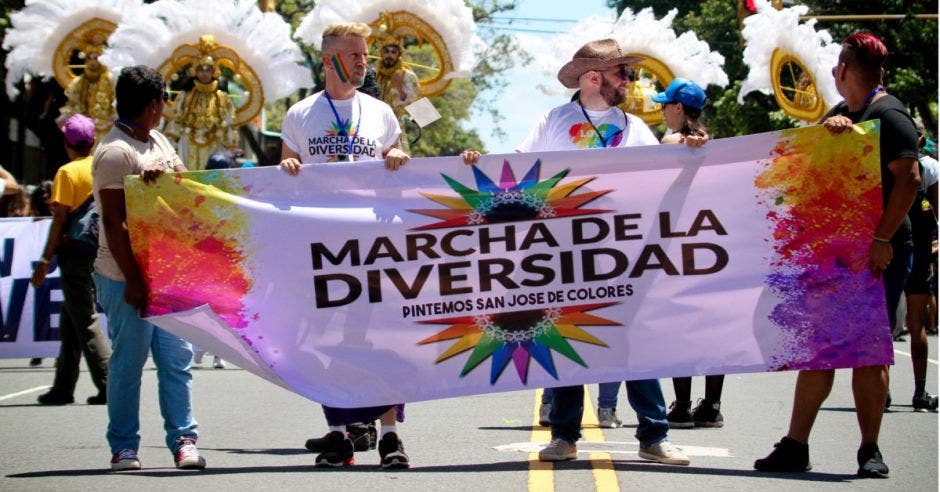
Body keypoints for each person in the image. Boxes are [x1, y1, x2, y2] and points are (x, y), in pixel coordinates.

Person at [512, 39, 690, 465]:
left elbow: (658, 171)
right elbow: (518, 168)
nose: (629, 82)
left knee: (632, 339)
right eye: (622, 74)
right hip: (564, 251)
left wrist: (685, 150)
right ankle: (565, 434)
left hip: (619, 252)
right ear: (595, 77)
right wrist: (474, 163)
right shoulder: (555, 121)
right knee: (569, 338)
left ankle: (653, 434)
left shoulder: (633, 127)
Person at [754, 32, 921, 478]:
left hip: (878, 254)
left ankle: (870, 450)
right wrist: (827, 136)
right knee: (819, 352)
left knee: (869, 354)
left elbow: (910, 180)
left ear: (843, 71)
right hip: (839, 256)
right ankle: (795, 445)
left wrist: (882, 240)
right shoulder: (844, 114)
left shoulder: (891, 115)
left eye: (836, 67)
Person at [279, 22, 410, 469]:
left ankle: (391, 437)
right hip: (322, 251)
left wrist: (396, 158)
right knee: (327, 343)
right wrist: (290, 165)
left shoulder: (380, 112)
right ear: (329, 59)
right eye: (355, 55)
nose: (363, 62)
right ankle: (338, 437)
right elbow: (282, 174)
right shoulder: (299, 115)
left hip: (372, 248)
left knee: (381, 340)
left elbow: (400, 170)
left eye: (365, 55)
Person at [93, 65, 205, 471]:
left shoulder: (156, 139)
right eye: (162, 102)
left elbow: (183, 185)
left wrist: (160, 180)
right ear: (155, 104)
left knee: (176, 360)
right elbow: (113, 221)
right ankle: (123, 445)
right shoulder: (114, 152)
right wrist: (136, 281)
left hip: (168, 274)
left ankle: (184, 440)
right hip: (127, 277)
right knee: (129, 363)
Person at [647, 77, 725, 429]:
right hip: (710, 243)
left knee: (680, 324)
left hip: (679, 243)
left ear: (678, 108)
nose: (662, 111)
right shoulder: (714, 145)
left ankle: (680, 404)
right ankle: (711, 405)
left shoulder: (672, 140)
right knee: (712, 327)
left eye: (665, 105)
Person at [31, 114, 110, 406]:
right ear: (92, 142)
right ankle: (62, 387)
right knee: (72, 320)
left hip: (75, 252)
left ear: (67, 143)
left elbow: (60, 219)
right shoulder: (101, 165)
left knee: (86, 320)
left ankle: (109, 382)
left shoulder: (66, 173)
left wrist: (44, 259)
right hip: (99, 248)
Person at [902, 124, 939, 412]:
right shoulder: (885, 162)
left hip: (920, 249)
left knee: (918, 321)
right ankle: (883, 390)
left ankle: (920, 390)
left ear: (921, 140)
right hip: (893, 247)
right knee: (888, 320)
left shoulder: (929, 169)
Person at [163, 35, 238, 171]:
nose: (204, 73)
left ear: (213, 71)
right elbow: (176, 118)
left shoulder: (222, 97)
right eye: (201, 69)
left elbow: (228, 121)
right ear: (195, 71)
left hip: (214, 141)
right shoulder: (185, 95)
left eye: (208, 69)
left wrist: (230, 145)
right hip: (188, 140)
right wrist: (172, 141)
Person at [58, 36, 116, 141]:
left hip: (106, 130)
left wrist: (113, 119)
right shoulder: (79, 82)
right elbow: (72, 104)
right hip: (85, 130)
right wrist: (66, 117)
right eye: (89, 58)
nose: (92, 62)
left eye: (96, 58)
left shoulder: (110, 79)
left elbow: (116, 101)